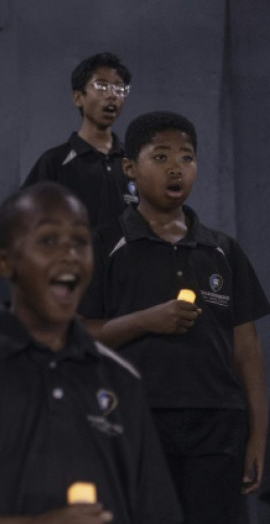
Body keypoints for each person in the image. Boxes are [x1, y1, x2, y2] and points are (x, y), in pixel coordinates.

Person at [0, 182, 182, 523]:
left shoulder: (122, 378)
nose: (69, 255)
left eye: (80, 242)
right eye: (48, 241)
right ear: (4, 263)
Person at [80, 111, 270, 523]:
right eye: (161, 156)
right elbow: (77, 334)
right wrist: (146, 320)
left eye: (186, 158)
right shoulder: (104, 245)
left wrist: (257, 436)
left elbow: (247, 350)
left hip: (218, 423)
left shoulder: (223, 250)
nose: (176, 168)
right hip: (134, 419)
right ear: (130, 168)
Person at [23, 52, 137, 228]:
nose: (112, 95)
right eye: (102, 86)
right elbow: (25, 223)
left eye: (119, 88)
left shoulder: (133, 162)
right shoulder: (54, 162)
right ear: (78, 98)